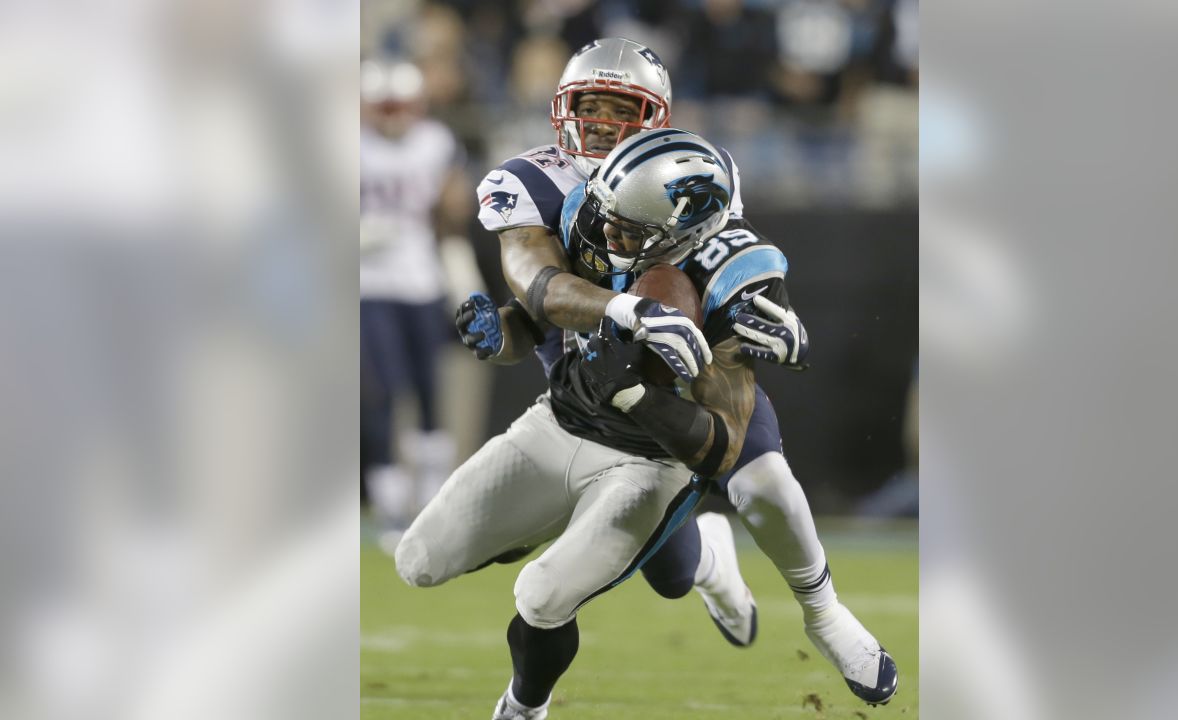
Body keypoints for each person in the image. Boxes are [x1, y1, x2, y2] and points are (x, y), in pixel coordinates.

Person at [461, 38, 898, 708]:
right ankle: (709, 560)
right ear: (562, 108)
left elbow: (730, 256)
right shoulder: (526, 178)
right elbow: (535, 285)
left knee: (766, 480)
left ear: (656, 116)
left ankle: (825, 613)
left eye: (620, 107)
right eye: (590, 105)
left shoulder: (695, 167)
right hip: (590, 373)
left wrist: (768, 309)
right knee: (666, 571)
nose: (602, 122)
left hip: (684, 357)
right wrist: (558, 323)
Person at [395, 133, 760, 720]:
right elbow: (538, 314)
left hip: (650, 462)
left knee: (545, 595)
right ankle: (551, 519)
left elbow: (721, 450)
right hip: (561, 422)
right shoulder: (594, 222)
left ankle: (523, 707)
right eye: (608, 218)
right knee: (418, 560)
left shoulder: (729, 285)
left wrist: (641, 395)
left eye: (630, 227)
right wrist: (501, 337)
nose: (609, 236)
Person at [359, 59, 474, 546]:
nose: (392, 116)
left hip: (421, 279)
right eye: (385, 107)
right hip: (368, 282)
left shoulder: (436, 143)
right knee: (383, 394)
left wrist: (449, 215)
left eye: (400, 106)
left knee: (430, 389)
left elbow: (455, 209)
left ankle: (431, 499)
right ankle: (389, 506)